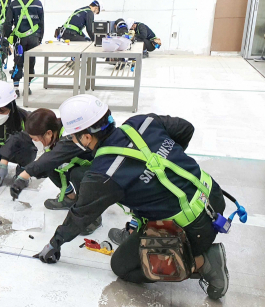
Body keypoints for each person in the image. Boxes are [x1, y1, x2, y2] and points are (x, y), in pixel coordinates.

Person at [35, 94, 231, 300]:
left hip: (194, 228)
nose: (72, 140)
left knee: (122, 266)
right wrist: (167, 165)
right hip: (214, 197)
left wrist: (54, 244)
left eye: (73, 136)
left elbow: (80, 215)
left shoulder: (104, 173)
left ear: (86, 137)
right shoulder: (142, 122)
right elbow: (185, 128)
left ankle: (204, 261)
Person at [10, 108, 102, 234]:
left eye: (36, 139)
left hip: (99, 169)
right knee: (48, 166)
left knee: (78, 174)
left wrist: (23, 176)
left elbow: (52, 157)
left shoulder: (69, 135)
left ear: (48, 133)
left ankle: (93, 216)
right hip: (78, 161)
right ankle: (70, 198)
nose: (34, 142)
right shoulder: (54, 133)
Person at [4, 0, 44, 98]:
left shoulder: (14, 4)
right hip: (33, 39)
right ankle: (27, 87)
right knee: (31, 63)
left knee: (18, 62)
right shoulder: (38, 3)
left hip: (19, 39)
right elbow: (41, 23)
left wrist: (8, 37)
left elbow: (7, 23)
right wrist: (39, 38)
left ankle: (16, 88)